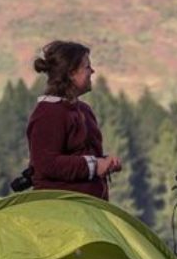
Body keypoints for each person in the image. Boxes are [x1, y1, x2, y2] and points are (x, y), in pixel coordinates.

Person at [25, 40, 121, 200]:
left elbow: (79, 156)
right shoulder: (48, 113)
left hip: (86, 210)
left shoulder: (83, 110)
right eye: (87, 67)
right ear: (71, 73)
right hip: (59, 212)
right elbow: (46, 163)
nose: (92, 71)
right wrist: (95, 165)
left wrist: (105, 163)